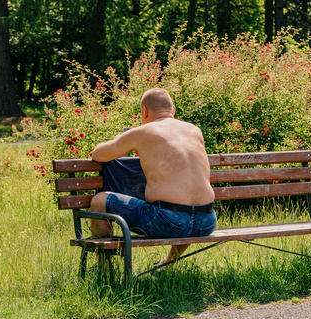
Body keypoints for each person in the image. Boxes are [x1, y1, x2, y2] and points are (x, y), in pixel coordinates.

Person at [90, 88, 217, 266]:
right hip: (207, 222)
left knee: (98, 201)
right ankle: (167, 263)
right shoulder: (194, 130)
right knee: (186, 213)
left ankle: (104, 267)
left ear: (145, 111)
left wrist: (122, 138)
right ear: (173, 110)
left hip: (168, 222)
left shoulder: (142, 132)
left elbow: (98, 154)